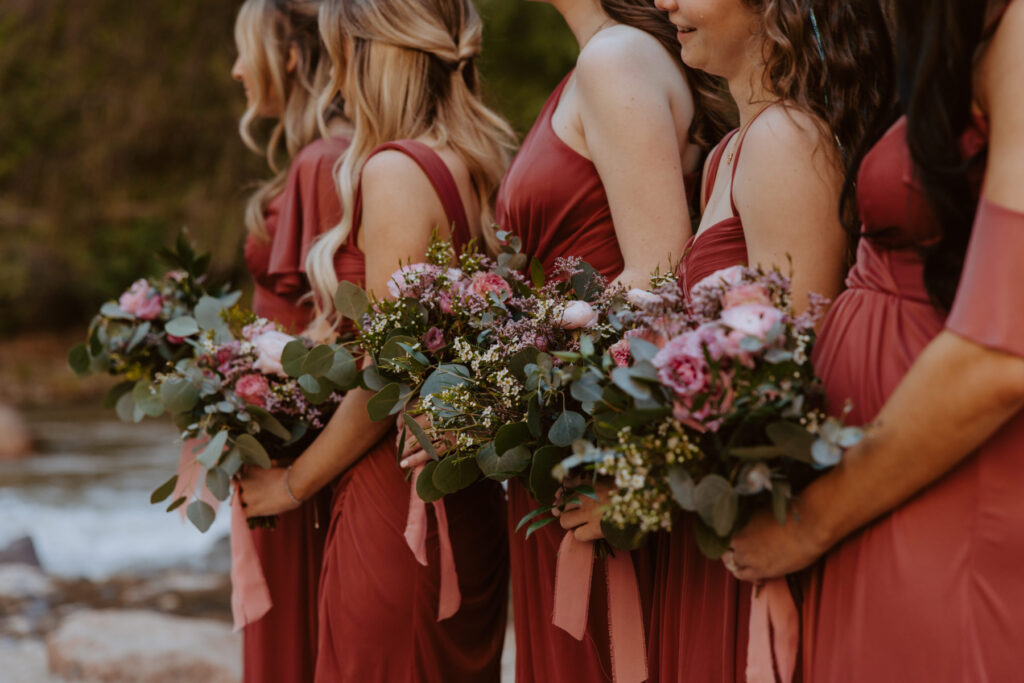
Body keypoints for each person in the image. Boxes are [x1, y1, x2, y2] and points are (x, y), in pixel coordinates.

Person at [727, 2, 1024, 681]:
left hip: (947, 489)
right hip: (883, 483)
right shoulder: (948, 38)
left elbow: (1005, 352)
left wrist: (809, 521)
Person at [238, 0, 517, 680]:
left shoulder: (394, 172)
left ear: (370, 56)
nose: (334, 79)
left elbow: (386, 381)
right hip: (467, 492)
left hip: (396, 505)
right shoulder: (475, 162)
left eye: (339, 55)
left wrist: (292, 484)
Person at [483, 1, 731, 680]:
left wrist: (505, 365)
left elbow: (657, 268)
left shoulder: (615, 58)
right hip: (573, 423)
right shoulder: (607, 57)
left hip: (597, 428)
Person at [650, 1, 892, 680]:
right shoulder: (732, 148)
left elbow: (793, 383)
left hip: (753, 520)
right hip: (710, 515)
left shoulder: (787, 140)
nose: (665, 1)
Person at [230, 1, 351, 680]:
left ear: (294, 57)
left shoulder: (326, 160)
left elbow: (339, 330)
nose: (237, 69)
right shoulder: (315, 157)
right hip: (277, 438)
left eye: (247, 50)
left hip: (301, 450)